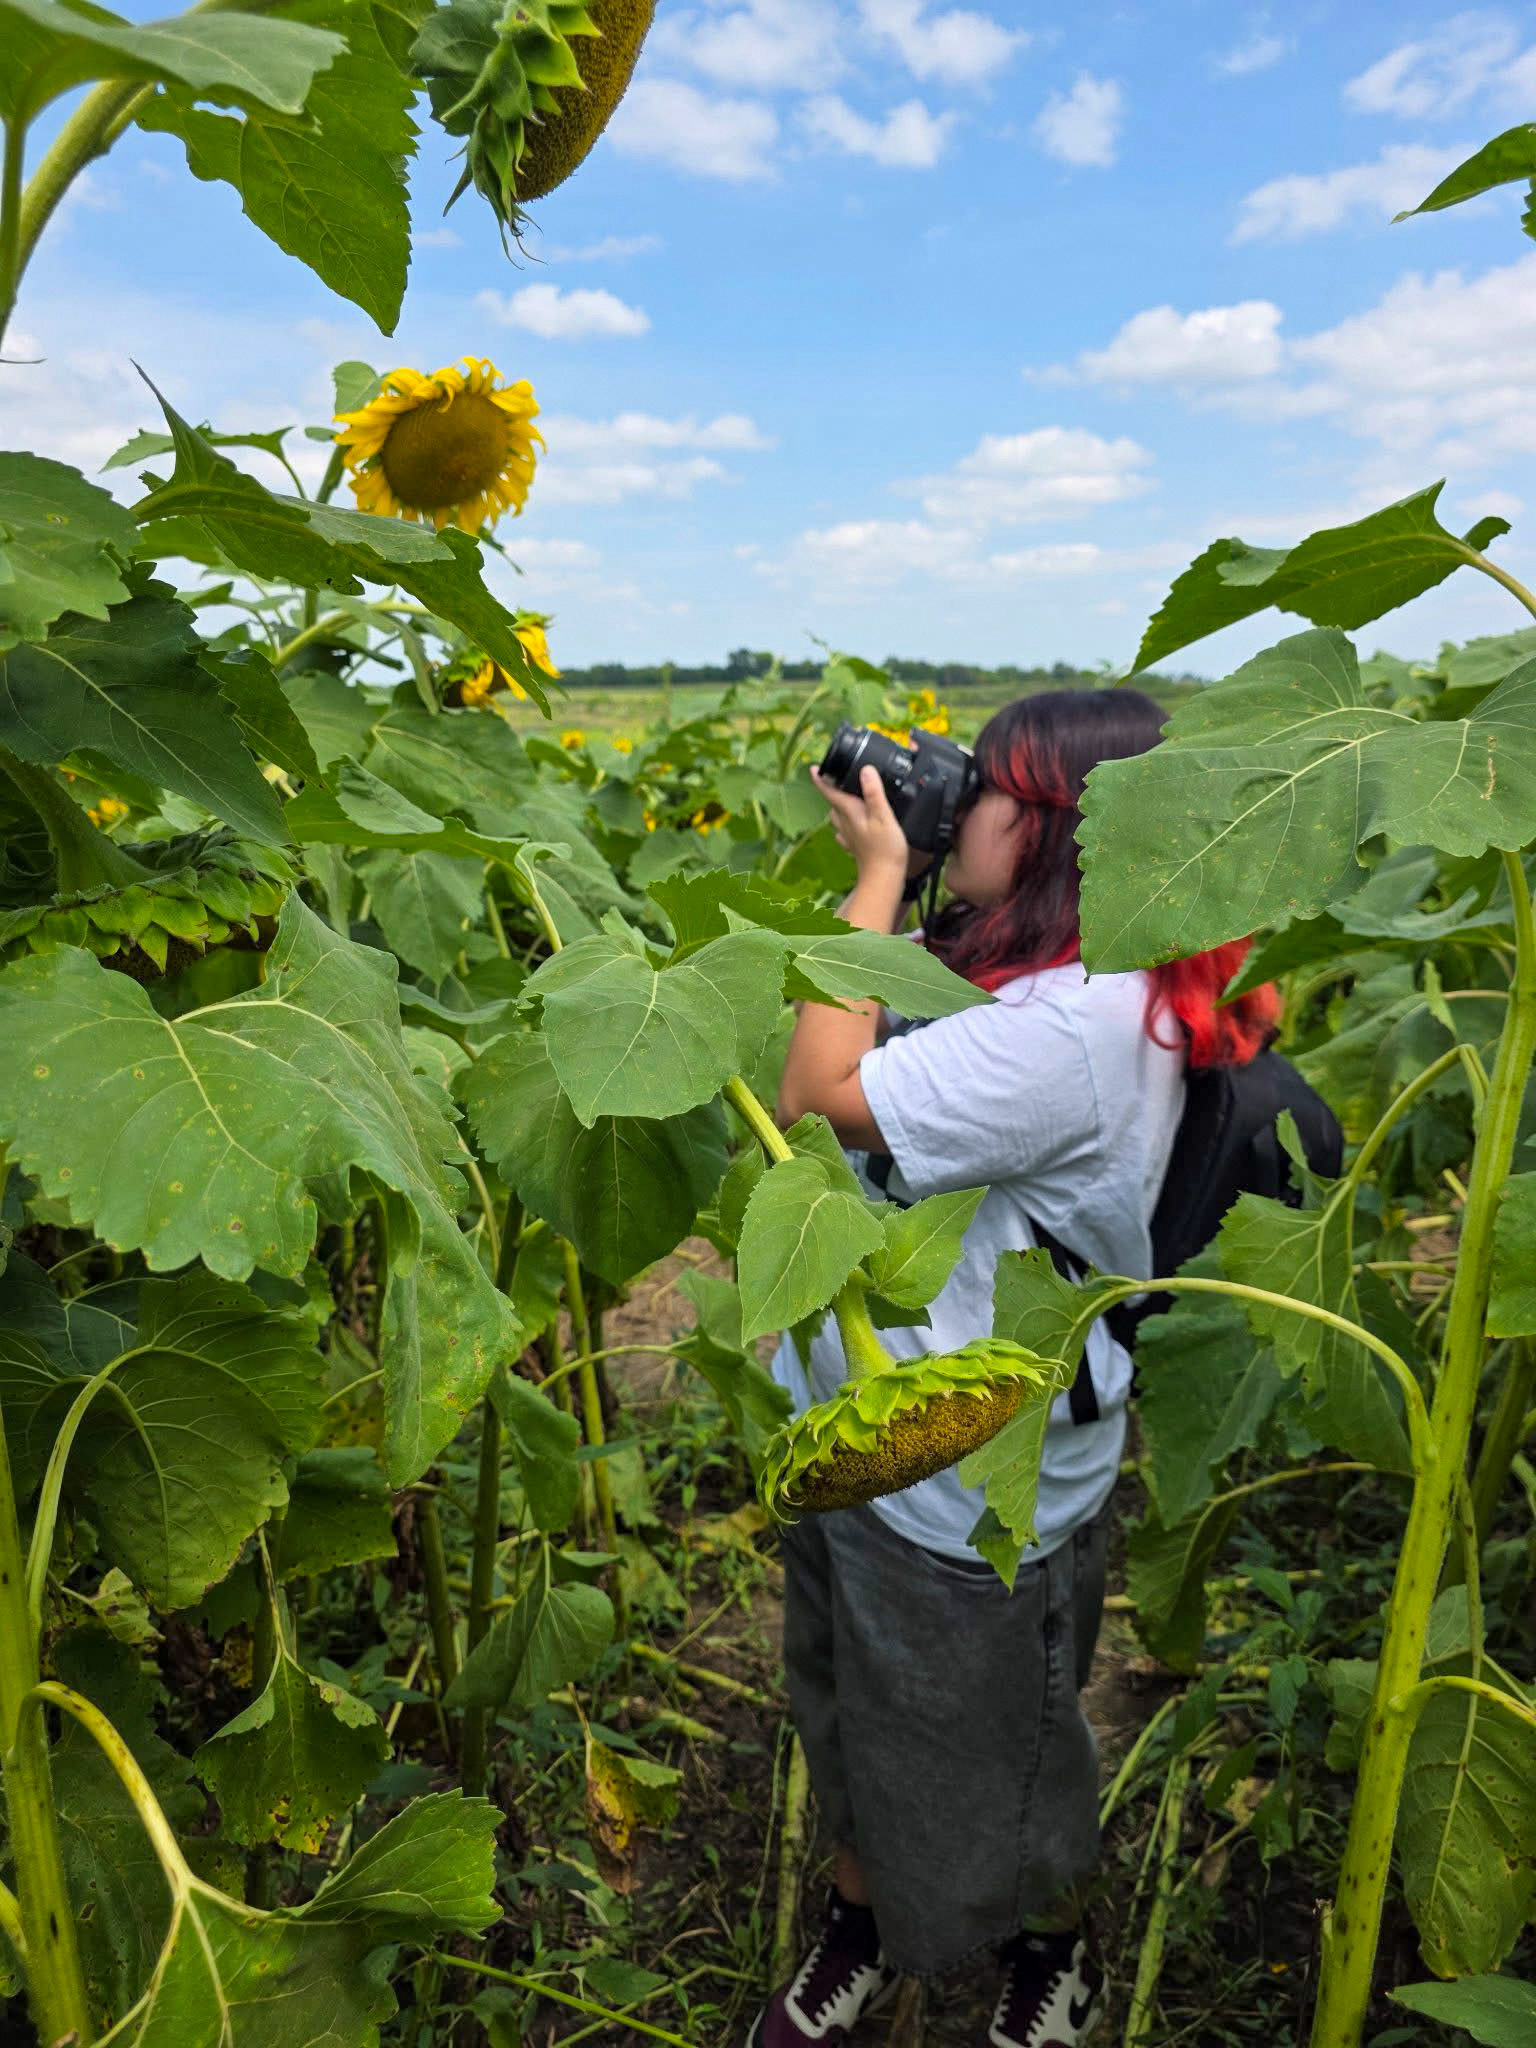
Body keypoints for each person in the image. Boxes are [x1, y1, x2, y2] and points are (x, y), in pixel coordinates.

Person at [745, 690, 1280, 2048]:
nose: (953, 800)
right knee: (856, 1705)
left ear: (1056, 836)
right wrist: (908, 891)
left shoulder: (1076, 1030)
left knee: (1004, 1743)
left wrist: (875, 875)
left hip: (974, 1474)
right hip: (875, 1429)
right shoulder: (1032, 960)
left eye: (983, 785)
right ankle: (864, 1918)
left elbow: (820, 1089)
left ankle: (1053, 1948)